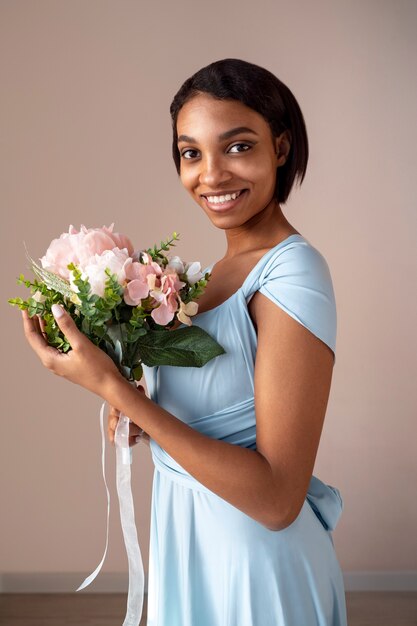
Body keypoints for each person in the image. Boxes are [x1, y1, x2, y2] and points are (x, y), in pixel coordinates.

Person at [22, 58, 348, 625]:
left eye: (238, 146)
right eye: (191, 153)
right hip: (188, 547)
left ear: (282, 146)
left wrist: (120, 394)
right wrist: (136, 411)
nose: (212, 174)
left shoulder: (293, 273)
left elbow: (275, 502)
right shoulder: (207, 280)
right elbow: (202, 424)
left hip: (255, 573)